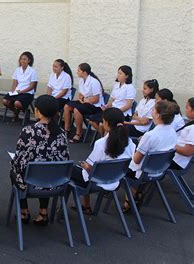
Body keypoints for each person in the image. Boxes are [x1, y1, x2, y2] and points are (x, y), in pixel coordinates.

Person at [10, 95, 69, 225]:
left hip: (30, 183)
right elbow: (65, 158)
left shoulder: (28, 131)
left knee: (14, 171)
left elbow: (18, 159)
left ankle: (24, 211)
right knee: (47, 170)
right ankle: (43, 212)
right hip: (55, 183)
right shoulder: (62, 134)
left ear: (38, 111)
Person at [71, 108, 136, 215]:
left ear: (106, 123)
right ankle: (85, 206)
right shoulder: (129, 141)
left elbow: (91, 168)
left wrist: (85, 166)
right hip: (116, 179)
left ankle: (85, 206)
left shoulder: (101, 143)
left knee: (72, 169)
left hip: (96, 182)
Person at [124, 101, 178, 211]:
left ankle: (130, 196)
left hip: (142, 172)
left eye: (153, 109)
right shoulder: (173, 132)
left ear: (157, 115)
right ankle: (135, 192)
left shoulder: (150, 135)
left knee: (119, 164)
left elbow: (136, 160)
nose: (151, 111)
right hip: (159, 170)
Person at [63, 63, 104, 143]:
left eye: (79, 70)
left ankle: (79, 134)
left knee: (77, 109)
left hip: (95, 106)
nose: (77, 72)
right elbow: (80, 94)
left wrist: (85, 100)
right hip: (84, 102)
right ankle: (67, 130)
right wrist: (82, 99)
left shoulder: (94, 82)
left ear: (84, 72)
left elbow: (96, 99)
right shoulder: (81, 80)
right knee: (67, 106)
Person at [89, 65, 136, 135]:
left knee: (103, 124)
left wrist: (116, 112)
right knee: (92, 120)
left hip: (121, 114)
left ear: (126, 76)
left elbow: (128, 105)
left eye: (120, 73)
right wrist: (107, 106)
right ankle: (105, 138)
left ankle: (106, 139)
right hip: (112, 111)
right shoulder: (116, 85)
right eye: (118, 73)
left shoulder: (130, 88)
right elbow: (112, 99)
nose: (118, 75)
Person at [2, 51, 38, 122]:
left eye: (24, 59)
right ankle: (16, 111)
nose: (22, 61)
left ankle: (24, 110)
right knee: (5, 101)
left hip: (27, 93)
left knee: (17, 103)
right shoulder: (17, 70)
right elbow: (15, 83)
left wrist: (21, 92)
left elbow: (32, 86)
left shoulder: (32, 71)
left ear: (29, 61)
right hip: (17, 91)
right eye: (21, 59)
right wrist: (12, 91)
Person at [170, 97, 194, 170]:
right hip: (175, 157)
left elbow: (187, 152)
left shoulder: (192, 128)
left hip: (176, 161)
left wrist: (170, 144)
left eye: (187, 108)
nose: (185, 110)